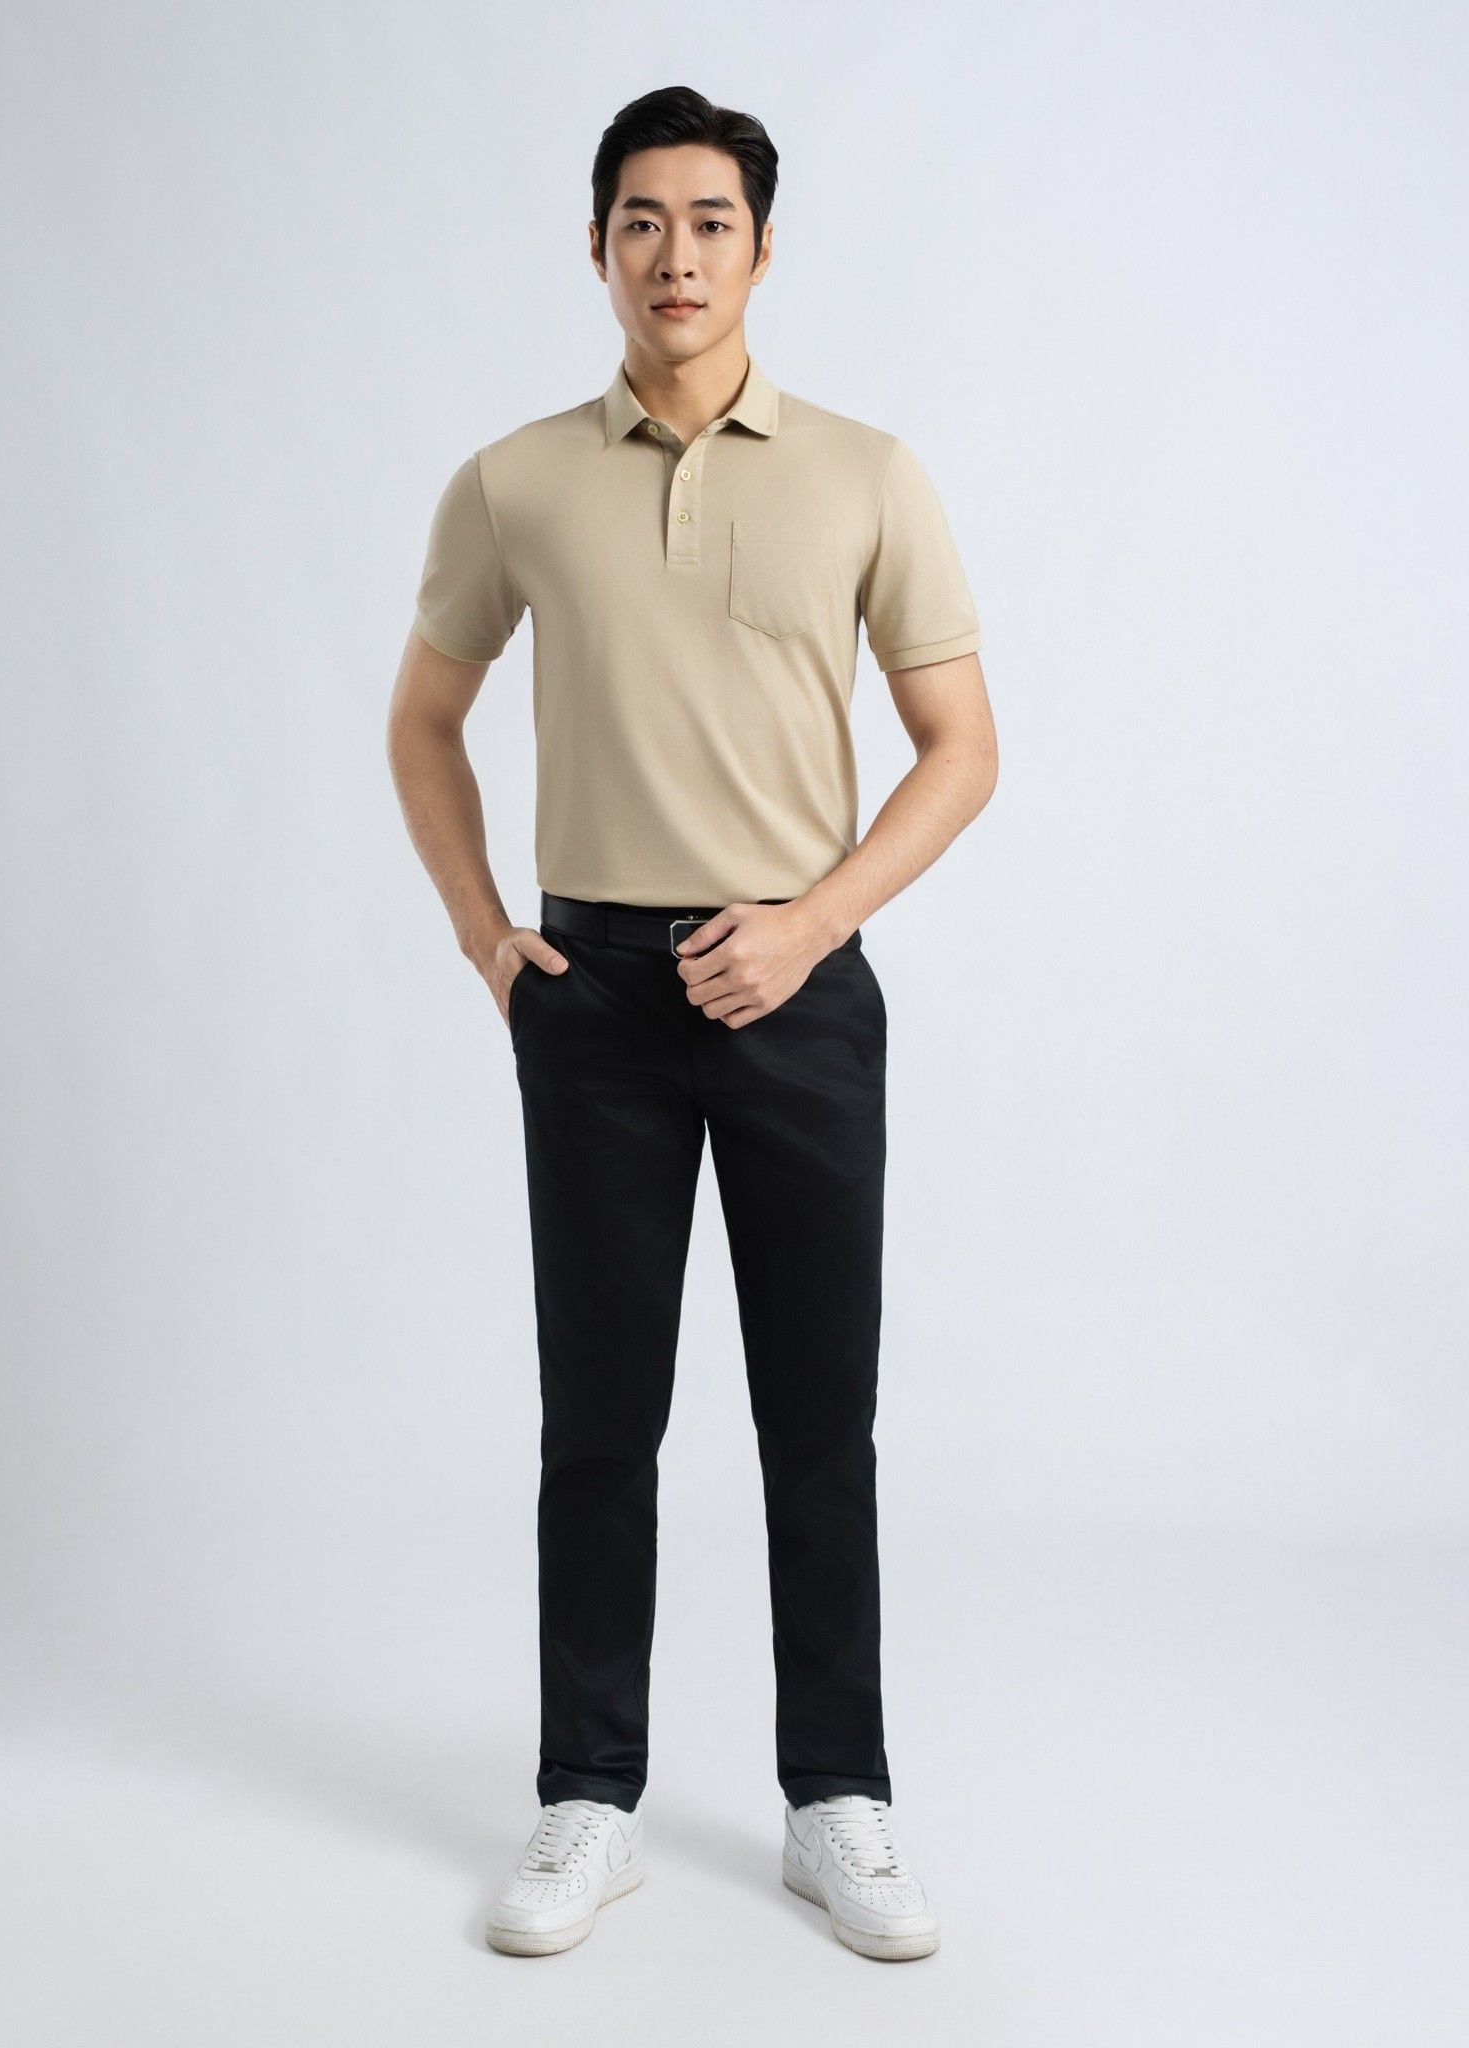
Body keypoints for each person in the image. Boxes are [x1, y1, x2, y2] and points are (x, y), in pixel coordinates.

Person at [388, 84, 996, 1962]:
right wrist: (490, 939)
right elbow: (423, 718)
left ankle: (839, 1803)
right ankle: (588, 1798)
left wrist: (811, 926)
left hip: (800, 989)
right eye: (641, 221)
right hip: (594, 1002)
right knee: (601, 1417)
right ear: (596, 245)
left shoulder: (867, 473)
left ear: (760, 248)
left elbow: (963, 749)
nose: (676, 255)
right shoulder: (513, 481)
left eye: (710, 221)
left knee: (821, 1415)